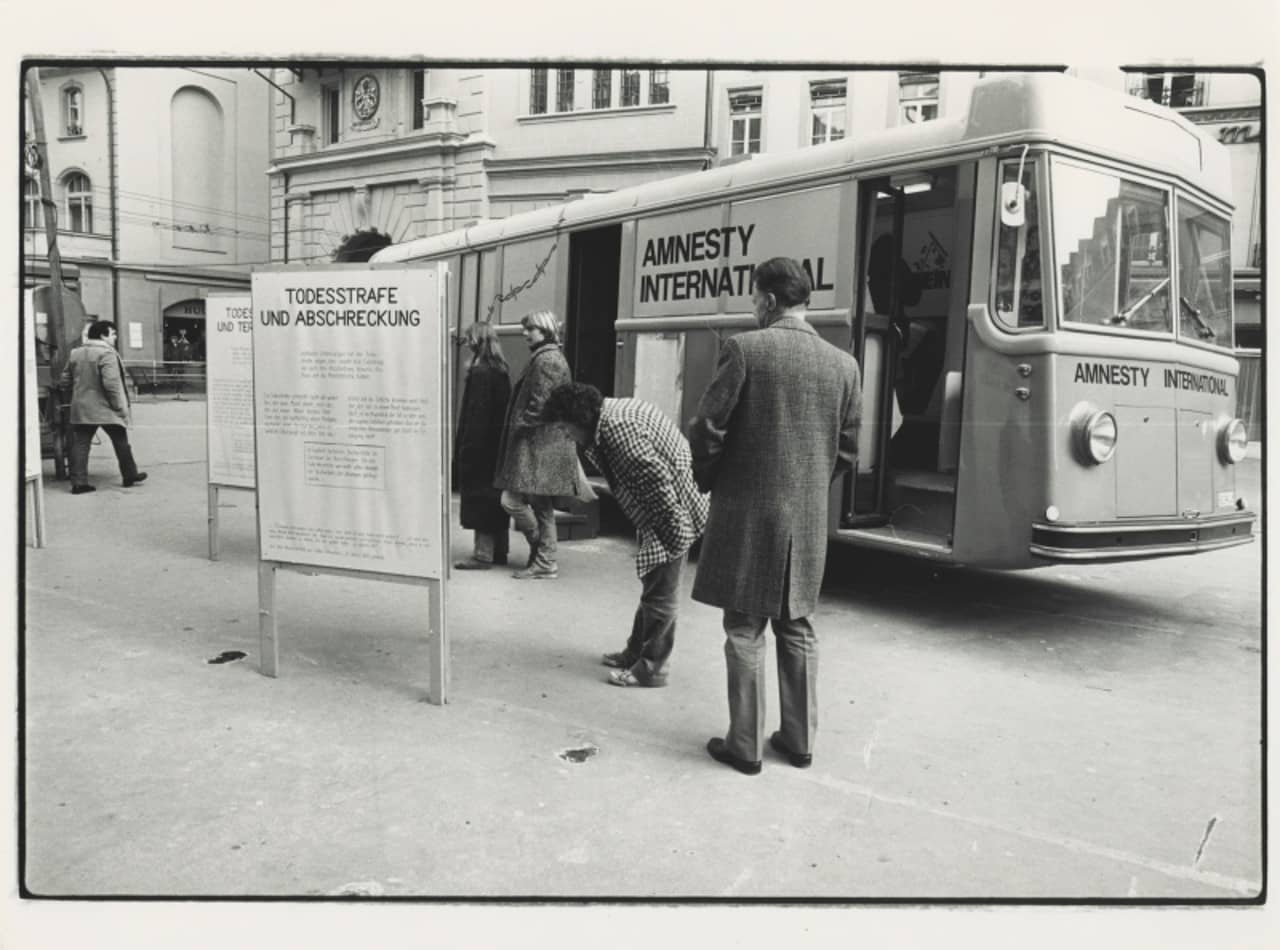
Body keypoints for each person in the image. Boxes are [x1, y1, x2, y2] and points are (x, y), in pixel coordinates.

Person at [690, 257, 861, 775]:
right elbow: (849, 449)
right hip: (805, 518)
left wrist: (710, 478)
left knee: (744, 625)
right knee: (798, 624)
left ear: (766, 299)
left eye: (753, 297)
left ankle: (744, 746)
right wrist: (808, 486)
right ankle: (798, 739)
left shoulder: (745, 349)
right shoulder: (844, 364)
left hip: (748, 510)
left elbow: (710, 427)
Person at [542, 382, 709, 687]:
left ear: (579, 419)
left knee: (661, 594)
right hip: (665, 508)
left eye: (565, 427)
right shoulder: (609, 419)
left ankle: (651, 669)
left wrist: (672, 539)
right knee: (653, 586)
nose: (565, 435)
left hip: (673, 510)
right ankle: (635, 652)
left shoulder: (619, 431)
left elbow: (659, 488)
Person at [493, 311, 582, 580]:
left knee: (511, 500)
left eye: (530, 329)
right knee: (540, 506)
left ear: (545, 331)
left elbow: (542, 404)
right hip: (542, 442)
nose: (525, 333)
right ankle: (545, 559)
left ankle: (543, 554)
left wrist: (520, 423)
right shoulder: (546, 356)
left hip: (541, 443)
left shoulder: (548, 360)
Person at [59, 320, 148, 494]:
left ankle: (79, 483)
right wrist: (120, 408)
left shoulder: (75, 353)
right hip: (106, 408)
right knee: (121, 441)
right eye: (113, 334)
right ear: (103, 335)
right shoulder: (106, 354)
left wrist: (79, 391)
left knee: (81, 445)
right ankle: (129, 475)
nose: (115, 338)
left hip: (82, 408)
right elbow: (112, 385)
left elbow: (64, 381)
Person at [453, 322, 513, 570]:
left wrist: (466, 452)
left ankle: (483, 554)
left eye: (469, 338)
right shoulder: (500, 371)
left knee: (479, 498)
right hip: (496, 448)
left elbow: (476, 417)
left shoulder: (480, 374)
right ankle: (500, 550)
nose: (466, 342)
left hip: (479, 449)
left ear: (477, 341)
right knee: (495, 498)